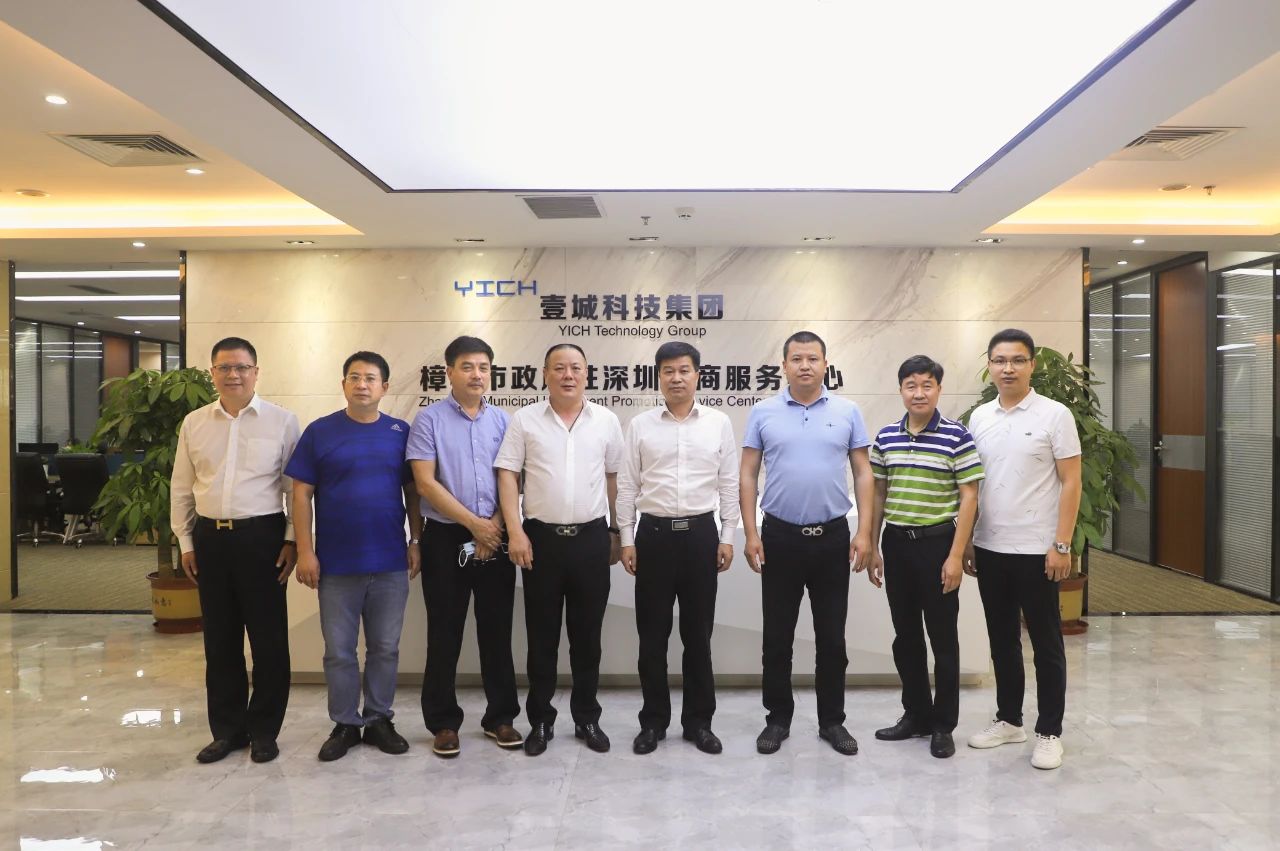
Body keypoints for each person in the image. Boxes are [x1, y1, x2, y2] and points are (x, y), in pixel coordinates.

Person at [740, 330, 875, 756]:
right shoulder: (763, 412)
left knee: (832, 638)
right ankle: (777, 719)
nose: (805, 366)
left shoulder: (847, 411)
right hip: (779, 537)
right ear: (784, 365)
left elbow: (863, 473)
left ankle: (832, 721)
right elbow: (747, 473)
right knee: (777, 638)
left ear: (825, 364)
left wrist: (865, 532)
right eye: (796, 359)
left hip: (832, 539)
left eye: (812, 358)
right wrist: (751, 532)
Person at [172, 336, 300, 764]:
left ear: (256, 372)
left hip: (262, 538)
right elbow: (181, 487)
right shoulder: (194, 423)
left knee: (268, 640)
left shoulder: (282, 422)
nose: (234, 375)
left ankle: (264, 731)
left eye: (242, 367)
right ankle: (227, 731)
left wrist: (292, 539)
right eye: (224, 367)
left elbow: (296, 491)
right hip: (210, 539)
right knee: (220, 640)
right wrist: (186, 541)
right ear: (212, 373)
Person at [288, 351, 420, 762]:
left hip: (390, 562)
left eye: (371, 378)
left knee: (385, 648)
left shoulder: (400, 432)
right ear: (343, 384)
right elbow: (300, 494)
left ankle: (379, 719)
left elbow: (414, 492)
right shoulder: (320, 432)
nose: (362, 384)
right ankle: (345, 722)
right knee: (339, 651)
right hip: (335, 564)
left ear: (384, 387)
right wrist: (305, 550)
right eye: (354, 377)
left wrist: (417, 540)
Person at [495, 343, 624, 756]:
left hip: (591, 539)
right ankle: (540, 721)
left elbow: (614, 479)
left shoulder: (606, 420)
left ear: (587, 374)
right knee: (542, 637)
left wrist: (618, 531)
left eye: (575, 368)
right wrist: (516, 532)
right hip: (540, 541)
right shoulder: (525, 419)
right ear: (545, 374)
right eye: (559, 368)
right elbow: (508, 476)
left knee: (587, 638)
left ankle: (587, 717)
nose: (568, 375)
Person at [964, 328, 1082, 771]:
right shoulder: (980, 417)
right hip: (990, 546)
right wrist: (969, 539)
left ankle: (1049, 731)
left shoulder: (1056, 415)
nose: (1008, 368)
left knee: (1046, 643)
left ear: (1032, 364)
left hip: (1038, 549)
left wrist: (1061, 544)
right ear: (989, 366)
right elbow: (973, 486)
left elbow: (1072, 481)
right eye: (1000, 360)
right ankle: (1009, 719)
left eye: (1017, 360)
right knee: (1001, 640)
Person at [616, 342, 740, 756]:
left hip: (701, 536)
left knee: (698, 636)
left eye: (684, 370)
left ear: (698, 375)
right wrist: (627, 538)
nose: (676, 378)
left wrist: (727, 535)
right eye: (668, 371)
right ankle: (653, 723)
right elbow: (628, 486)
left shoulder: (718, 423)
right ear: (658, 377)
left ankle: (699, 723)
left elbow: (728, 483)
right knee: (652, 637)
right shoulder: (641, 425)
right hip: (653, 537)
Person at [407, 336, 523, 758]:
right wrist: (474, 525)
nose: (477, 375)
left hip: (496, 534)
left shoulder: (504, 421)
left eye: (484, 367)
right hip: (446, 538)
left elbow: (513, 479)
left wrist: (494, 527)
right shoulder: (429, 420)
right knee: (444, 632)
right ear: (450, 372)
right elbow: (424, 484)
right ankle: (442, 722)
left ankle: (501, 718)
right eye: (468, 367)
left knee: (497, 631)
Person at [866, 355, 983, 759]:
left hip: (938, 544)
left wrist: (955, 555)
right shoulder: (886, 437)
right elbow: (878, 493)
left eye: (927, 385)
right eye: (911, 385)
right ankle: (915, 714)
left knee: (943, 639)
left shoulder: (957, 436)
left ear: (939, 389)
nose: (919, 393)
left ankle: (943, 725)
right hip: (897, 544)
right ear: (901, 390)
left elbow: (970, 496)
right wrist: (874, 545)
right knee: (906, 638)